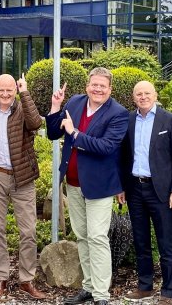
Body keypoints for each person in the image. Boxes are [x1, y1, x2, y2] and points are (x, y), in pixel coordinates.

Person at [46, 67, 128, 305]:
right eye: (94, 85)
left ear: (110, 89)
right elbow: (53, 134)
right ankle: (89, 287)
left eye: (103, 86)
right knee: (82, 236)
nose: (98, 89)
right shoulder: (75, 102)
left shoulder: (118, 113)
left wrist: (75, 133)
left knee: (97, 237)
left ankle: (102, 295)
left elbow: (106, 147)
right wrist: (55, 108)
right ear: (87, 86)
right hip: (73, 183)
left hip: (99, 186)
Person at [119, 81, 172, 304]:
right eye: (139, 94)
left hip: (162, 191)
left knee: (165, 242)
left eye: (147, 93)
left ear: (155, 95)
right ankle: (145, 285)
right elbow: (122, 156)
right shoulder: (128, 119)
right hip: (135, 188)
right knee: (141, 240)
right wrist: (121, 187)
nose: (143, 97)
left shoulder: (170, 119)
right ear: (133, 97)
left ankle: (168, 290)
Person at [0, 74, 47, 300]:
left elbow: (36, 123)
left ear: (16, 90)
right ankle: (1, 277)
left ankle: (26, 280)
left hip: (22, 177)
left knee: (28, 231)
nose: (6, 94)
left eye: (10, 90)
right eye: (2, 90)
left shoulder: (22, 109)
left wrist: (26, 92)